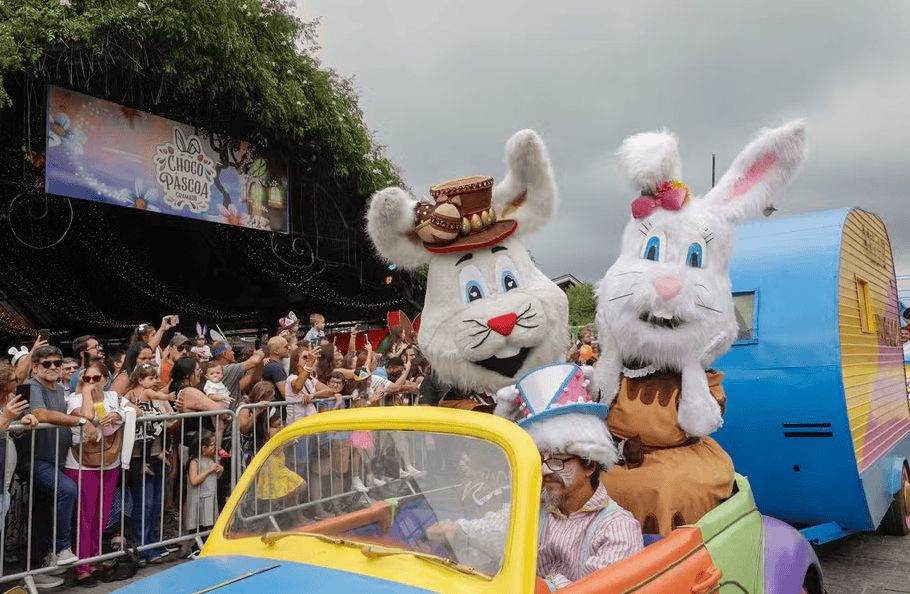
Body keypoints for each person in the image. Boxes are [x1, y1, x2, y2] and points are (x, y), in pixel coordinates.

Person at [434, 364, 643, 590]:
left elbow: (594, 589)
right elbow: (493, 528)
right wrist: (453, 530)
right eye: (540, 459)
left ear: (590, 464)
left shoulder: (617, 529)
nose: (544, 471)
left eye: (557, 461)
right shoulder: (537, 508)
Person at [65, 361, 139, 586]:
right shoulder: (75, 399)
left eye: (96, 378)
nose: (91, 382)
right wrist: (87, 393)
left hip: (110, 462)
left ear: (107, 380)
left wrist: (118, 415)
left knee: (102, 516)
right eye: (86, 378)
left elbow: (137, 411)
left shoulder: (114, 397)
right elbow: (87, 415)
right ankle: (82, 567)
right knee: (84, 517)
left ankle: (95, 560)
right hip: (82, 464)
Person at [27, 345, 87, 571]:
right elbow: (39, 413)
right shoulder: (32, 386)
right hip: (36, 459)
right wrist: (78, 421)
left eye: (57, 363)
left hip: (57, 460)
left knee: (43, 515)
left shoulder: (60, 389)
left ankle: (41, 564)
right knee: (67, 490)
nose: (53, 367)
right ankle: (62, 548)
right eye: (47, 363)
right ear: (35, 367)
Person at [185, 430, 222, 551]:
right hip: (199, 499)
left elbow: (214, 478)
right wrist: (208, 471)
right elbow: (194, 480)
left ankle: (205, 547)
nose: (215, 447)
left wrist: (219, 471)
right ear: (203, 447)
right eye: (213, 445)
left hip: (209, 497)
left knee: (208, 524)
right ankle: (194, 549)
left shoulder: (211, 460)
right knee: (198, 525)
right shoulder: (194, 462)